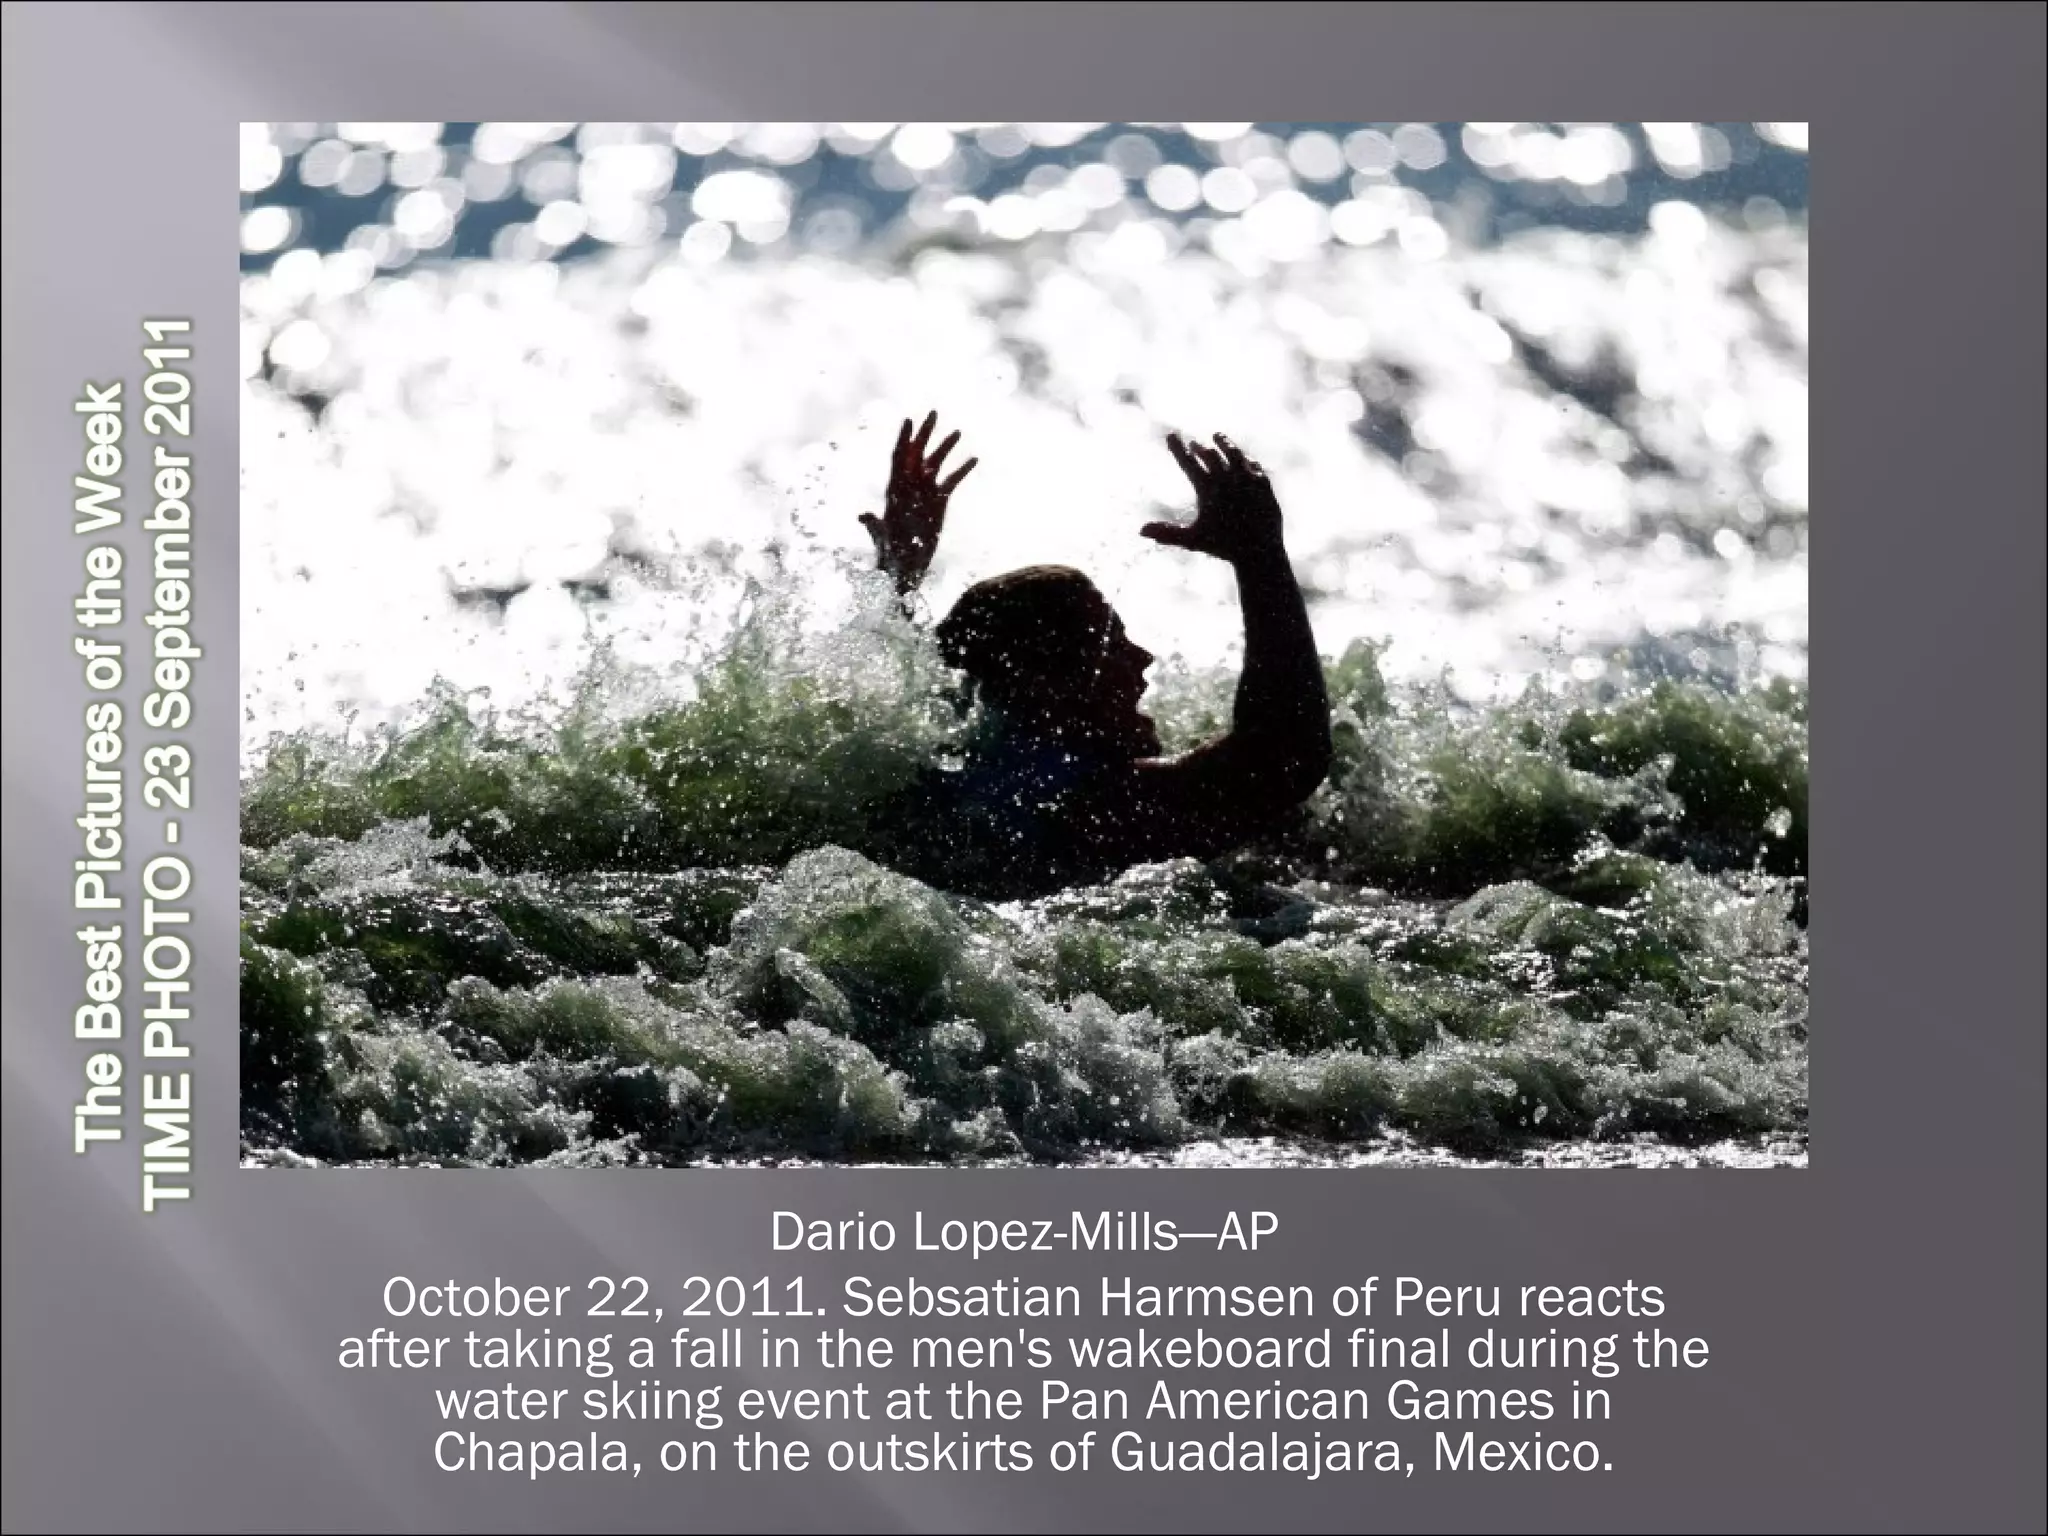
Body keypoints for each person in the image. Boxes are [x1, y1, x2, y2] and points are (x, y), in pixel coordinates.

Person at [860, 411, 1332, 901]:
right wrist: (1260, 556)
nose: (1141, 659)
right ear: (1049, 686)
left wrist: (897, 580)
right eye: (1111, 645)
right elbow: (1286, 757)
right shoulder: (1093, 805)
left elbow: (904, 688)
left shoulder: (952, 775)